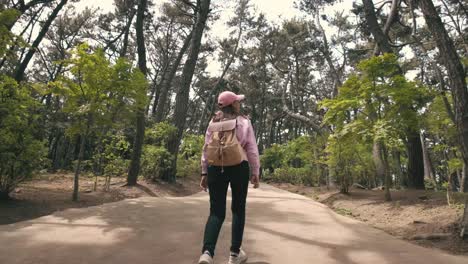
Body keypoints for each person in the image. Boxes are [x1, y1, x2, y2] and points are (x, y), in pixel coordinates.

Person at [198, 91, 260, 264]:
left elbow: (206, 148)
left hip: (215, 167)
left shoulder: (214, 122)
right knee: (238, 209)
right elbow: (252, 149)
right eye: (237, 102)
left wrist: (204, 172)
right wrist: (255, 172)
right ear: (233, 104)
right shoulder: (244, 121)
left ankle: (207, 253)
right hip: (239, 166)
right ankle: (234, 254)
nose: (239, 104)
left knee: (216, 212)